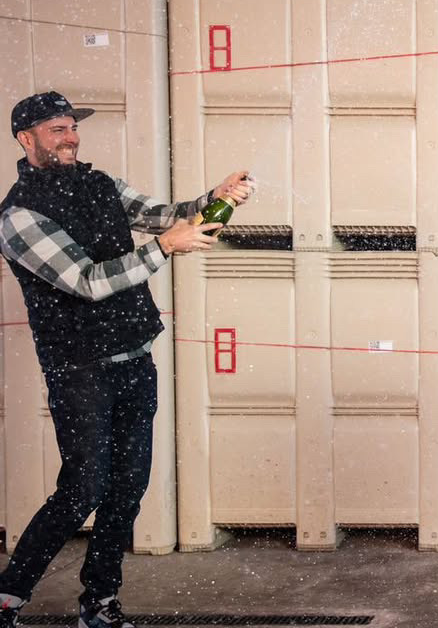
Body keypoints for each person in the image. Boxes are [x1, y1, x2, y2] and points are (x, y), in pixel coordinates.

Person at [0, 91, 254, 628]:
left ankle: (99, 602)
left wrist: (216, 196)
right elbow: (86, 282)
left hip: (135, 356)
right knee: (82, 490)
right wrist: (164, 248)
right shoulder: (19, 217)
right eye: (56, 130)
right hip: (80, 368)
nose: (70, 137)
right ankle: (9, 595)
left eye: (72, 127)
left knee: (127, 489)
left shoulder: (100, 183)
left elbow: (160, 214)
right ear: (27, 140)